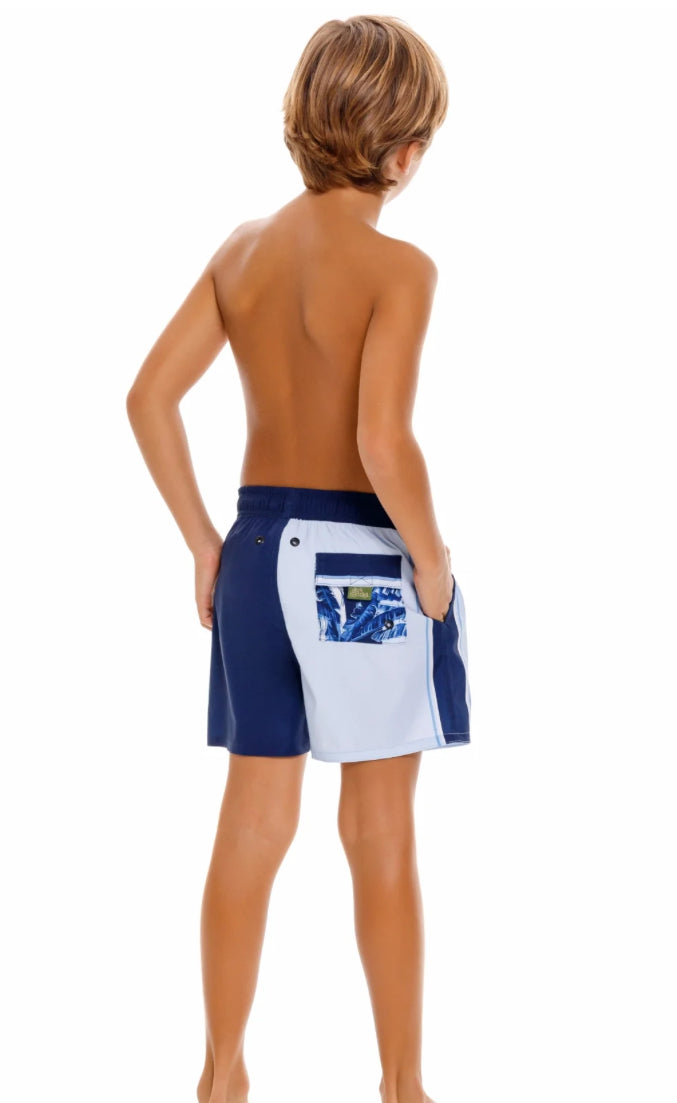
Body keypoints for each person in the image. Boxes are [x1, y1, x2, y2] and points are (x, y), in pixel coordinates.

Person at [126, 14, 471, 1103]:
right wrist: (431, 562)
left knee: (252, 821)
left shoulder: (242, 250)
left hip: (254, 547)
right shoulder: (399, 267)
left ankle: (220, 1073)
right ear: (404, 152)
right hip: (358, 561)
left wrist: (202, 540)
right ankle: (403, 1085)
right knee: (377, 828)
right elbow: (382, 442)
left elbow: (148, 397)